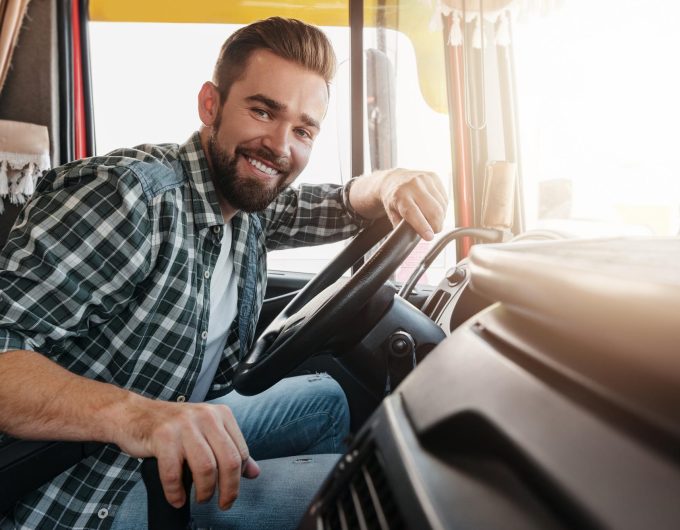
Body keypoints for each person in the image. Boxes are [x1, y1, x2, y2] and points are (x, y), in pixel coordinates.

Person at [0, 17, 447, 530]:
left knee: (326, 400)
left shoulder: (246, 205)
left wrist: (394, 183)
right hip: (82, 489)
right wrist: (141, 417)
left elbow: (341, 203)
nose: (280, 146)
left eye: (303, 129)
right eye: (262, 111)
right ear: (210, 105)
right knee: (367, 494)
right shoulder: (129, 198)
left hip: (171, 422)